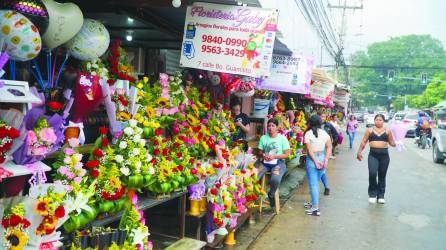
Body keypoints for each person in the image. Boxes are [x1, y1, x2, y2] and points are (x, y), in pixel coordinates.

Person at [357, 114, 396, 204]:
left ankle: (381, 195)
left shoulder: (388, 131)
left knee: (382, 176)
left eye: (380, 120)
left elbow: (392, 143)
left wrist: (398, 142)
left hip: (384, 156)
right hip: (373, 155)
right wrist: (359, 152)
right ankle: (372, 194)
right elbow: (363, 142)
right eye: (377, 120)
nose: (378, 121)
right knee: (372, 173)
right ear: (374, 121)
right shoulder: (369, 130)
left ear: (383, 121)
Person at [257, 118, 290, 209]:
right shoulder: (264, 138)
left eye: (273, 126)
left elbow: (287, 154)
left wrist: (274, 156)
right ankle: (251, 200)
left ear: (277, 127)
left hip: (278, 163)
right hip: (265, 162)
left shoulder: (282, 139)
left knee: (275, 179)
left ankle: (271, 194)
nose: (270, 128)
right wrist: (264, 155)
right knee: (254, 176)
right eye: (269, 126)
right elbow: (260, 152)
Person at [303, 115, 332, 216]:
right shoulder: (324, 133)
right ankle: (313, 203)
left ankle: (315, 209)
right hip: (322, 157)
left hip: (312, 159)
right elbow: (329, 147)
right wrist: (326, 159)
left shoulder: (308, 134)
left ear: (310, 123)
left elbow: (309, 150)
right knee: (316, 183)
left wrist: (315, 161)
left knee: (313, 184)